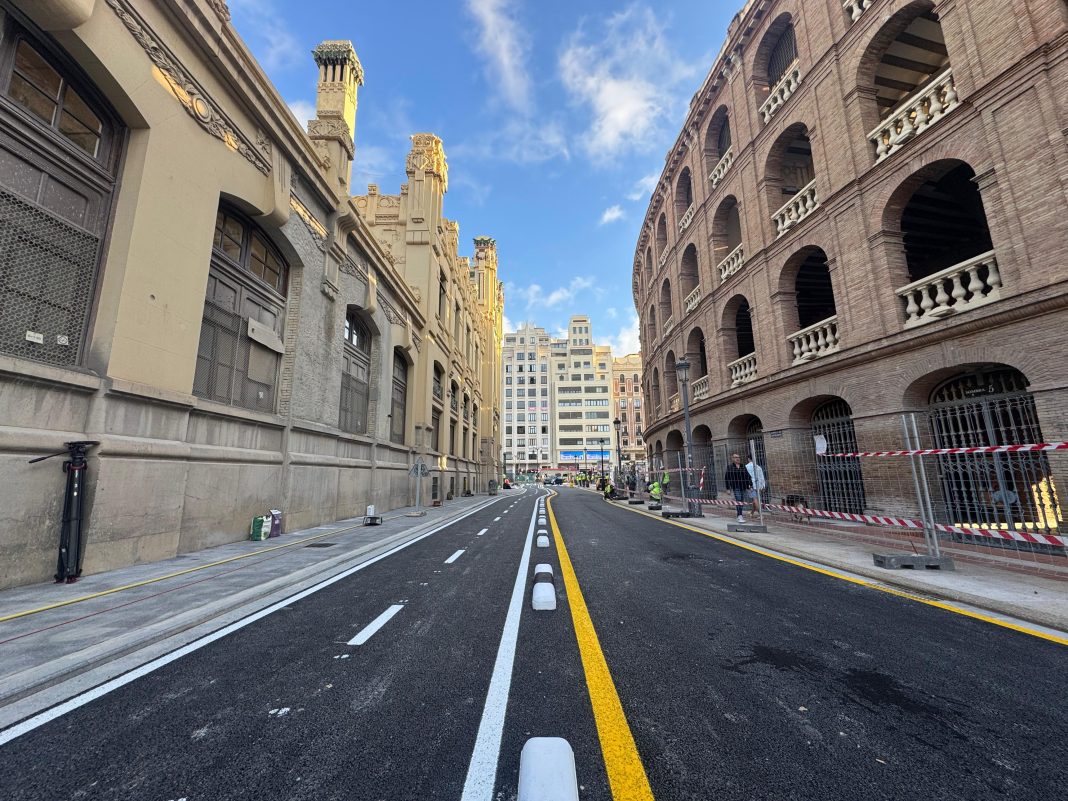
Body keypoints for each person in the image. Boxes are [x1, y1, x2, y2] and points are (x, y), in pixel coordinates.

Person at [724, 452, 752, 523]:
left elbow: (748, 476)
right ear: (732, 459)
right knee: (738, 500)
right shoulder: (730, 467)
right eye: (736, 457)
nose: (737, 459)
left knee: (741, 501)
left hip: (743, 486)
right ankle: (739, 515)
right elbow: (727, 478)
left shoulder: (743, 466)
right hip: (736, 486)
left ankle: (740, 515)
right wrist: (728, 488)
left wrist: (750, 485)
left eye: (738, 457)